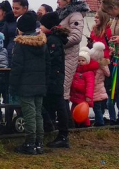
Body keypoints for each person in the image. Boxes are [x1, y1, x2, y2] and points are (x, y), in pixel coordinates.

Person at [10, 11, 47, 155]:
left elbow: (17, 66)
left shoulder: (21, 44)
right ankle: (39, 143)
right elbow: (47, 64)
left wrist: (13, 85)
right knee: (38, 113)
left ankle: (30, 143)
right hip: (40, 83)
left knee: (29, 114)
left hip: (25, 84)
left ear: (22, 28)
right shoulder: (42, 43)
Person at [56, 0, 89, 126]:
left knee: (63, 92)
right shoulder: (64, 14)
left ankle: (66, 127)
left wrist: (57, 44)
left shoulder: (75, 15)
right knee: (59, 90)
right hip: (61, 56)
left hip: (68, 57)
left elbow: (75, 37)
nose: (57, 1)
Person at [39, 12, 71, 148]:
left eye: (42, 24)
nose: (40, 27)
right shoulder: (52, 39)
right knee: (51, 103)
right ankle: (52, 128)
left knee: (59, 104)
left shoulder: (53, 41)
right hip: (54, 77)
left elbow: (52, 61)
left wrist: (50, 77)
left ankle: (63, 135)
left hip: (54, 78)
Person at [100, 0, 119, 125]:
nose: (110, 16)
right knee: (115, 89)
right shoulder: (116, 19)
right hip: (116, 58)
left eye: (109, 12)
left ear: (113, 8)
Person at [71, 49, 96, 128]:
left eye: (83, 60)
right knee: (73, 111)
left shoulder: (89, 73)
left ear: (87, 61)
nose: (80, 62)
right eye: (79, 60)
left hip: (83, 97)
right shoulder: (76, 71)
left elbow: (90, 86)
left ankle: (86, 125)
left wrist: (88, 96)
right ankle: (76, 123)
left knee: (83, 112)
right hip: (75, 96)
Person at [87, 43, 110, 126]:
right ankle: (99, 121)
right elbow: (108, 73)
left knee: (97, 108)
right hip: (100, 88)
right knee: (98, 107)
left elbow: (94, 80)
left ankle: (100, 123)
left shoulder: (95, 66)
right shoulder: (103, 64)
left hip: (96, 89)